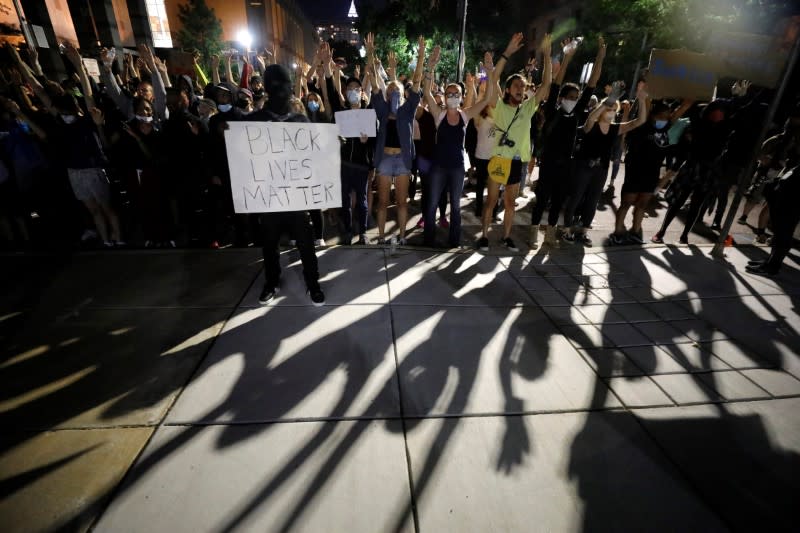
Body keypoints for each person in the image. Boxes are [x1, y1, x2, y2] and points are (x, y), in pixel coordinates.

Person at [248, 64, 324, 305]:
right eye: (276, 86)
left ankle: (313, 284)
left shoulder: (300, 119)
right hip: (269, 196)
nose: (281, 91)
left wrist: (331, 147)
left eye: (285, 86)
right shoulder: (255, 120)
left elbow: (314, 153)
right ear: (268, 89)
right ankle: (271, 282)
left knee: (306, 244)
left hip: (295, 196)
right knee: (269, 244)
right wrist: (231, 135)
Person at [477, 32, 552, 252]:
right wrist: (507, 53)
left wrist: (547, 57)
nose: (520, 89)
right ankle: (483, 236)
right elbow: (494, 79)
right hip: (500, 159)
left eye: (523, 86)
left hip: (517, 162)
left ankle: (506, 237)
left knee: (510, 203)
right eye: (516, 86)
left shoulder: (528, 108)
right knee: (491, 201)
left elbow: (546, 85)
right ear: (508, 89)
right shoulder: (499, 107)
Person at [529, 36, 605, 249]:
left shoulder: (579, 113)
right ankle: (533, 232)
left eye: (576, 96)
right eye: (570, 96)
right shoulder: (553, 110)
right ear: (562, 98)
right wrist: (567, 58)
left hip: (567, 164)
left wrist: (600, 56)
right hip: (549, 163)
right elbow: (556, 82)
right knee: (542, 200)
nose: (574, 99)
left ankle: (550, 234)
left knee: (558, 201)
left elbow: (592, 83)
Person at [421, 46, 496, 247]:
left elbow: (488, 98)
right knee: (431, 205)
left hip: (456, 168)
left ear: (462, 97)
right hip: (438, 167)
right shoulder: (439, 114)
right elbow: (427, 91)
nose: (453, 96)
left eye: (456, 94)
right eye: (449, 93)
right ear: (445, 96)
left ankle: (453, 241)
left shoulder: (465, 114)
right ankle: (428, 239)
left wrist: (490, 72)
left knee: (455, 206)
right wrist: (429, 66)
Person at [562, 82, 648, 246]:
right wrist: (609, 100)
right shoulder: (592, 125)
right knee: (576, 197)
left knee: (593, 201)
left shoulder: (615, 129)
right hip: (584, 166)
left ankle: (584, 231)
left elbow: (639, 121)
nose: (612, 112)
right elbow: (592, 117)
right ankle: (566, 230)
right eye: (609, 109)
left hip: (601, 169)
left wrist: (642, 101)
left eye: (614, 110)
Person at [610, 97, 692, 244]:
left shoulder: (666, 127)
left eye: (668, 116)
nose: (665, 119)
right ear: (652, 115)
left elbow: (683, 107)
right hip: (635, 171)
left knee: (642, 204)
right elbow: (646, 101)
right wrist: (648, 90)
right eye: (661, 116)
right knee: (626, 203)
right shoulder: (643, 125)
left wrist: (689, 99)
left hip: (651, 174)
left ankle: (635, 231)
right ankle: (617, 233)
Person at [370, 36, 425, 245]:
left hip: (402, 160)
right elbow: (375, 85)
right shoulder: (383, 111)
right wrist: (371, 58)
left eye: (397, 90)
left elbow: (418, 81)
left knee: (402, 202)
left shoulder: (407, 110)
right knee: (383, 202)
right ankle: (382, 237)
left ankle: (402, 236)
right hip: (384, 159)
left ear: (402, 94)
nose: (393, 92)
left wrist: (420, 56)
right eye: (390, 90)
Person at [651, 100, 731, 244]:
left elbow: (717, 151)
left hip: (707, 170)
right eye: (719, 112)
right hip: (692, 166)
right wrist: (677, 166)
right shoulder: (697, 125)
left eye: (722, 112)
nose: (721, 115)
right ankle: (662, 231)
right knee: (678, 201)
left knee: (696, 205)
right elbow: (685, 147)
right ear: (711, 113)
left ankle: (684, 235)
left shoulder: (723, 129)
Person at [746, 164, 800, 276]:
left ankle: (772, 266)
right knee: (779, 233)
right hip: (787, 199)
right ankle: (770, 262)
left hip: (793, 203)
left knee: (784, 234)